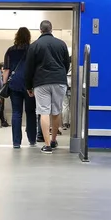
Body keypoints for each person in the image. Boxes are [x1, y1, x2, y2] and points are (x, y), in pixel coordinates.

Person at [25, 20, 70, 154]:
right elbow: (66, 64)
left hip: (41, 82)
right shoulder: (62, 44)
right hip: (59, 81)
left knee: (44, 111)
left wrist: (29, 86)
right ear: (51, 29)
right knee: (56, 111)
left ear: (40, 30)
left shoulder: (34, 46)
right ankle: (54, 140)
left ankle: (47, 145)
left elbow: (29, 69)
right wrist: (61, 75)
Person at [3, 27, 37, 148]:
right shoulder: (33, 49)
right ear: (29, 37)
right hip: (30, 85)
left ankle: (16, 142)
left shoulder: (10, 50)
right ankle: (32, 139)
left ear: (17, 36)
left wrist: (4, 83)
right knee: (31, 112)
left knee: (16, 113)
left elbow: (6, 69)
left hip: (14, 85)